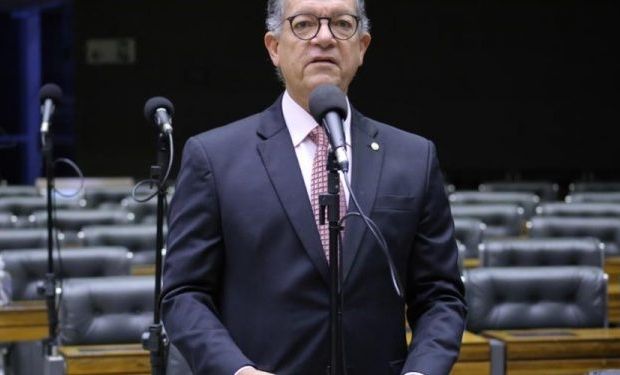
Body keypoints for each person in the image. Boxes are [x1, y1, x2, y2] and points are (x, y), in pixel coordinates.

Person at [161, 0, 467, 374]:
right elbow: (183, 294)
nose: (324, 38)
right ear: (274, 47)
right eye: (304, 24)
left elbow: (441, 297)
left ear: (362, 47)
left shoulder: (414, 157)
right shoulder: (214, 157)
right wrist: (237, 371)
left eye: (341, 24)